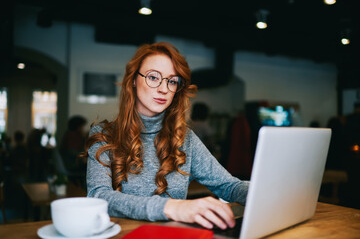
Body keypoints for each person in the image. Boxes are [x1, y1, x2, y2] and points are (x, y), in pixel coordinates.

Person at [82, 42, 249, 230]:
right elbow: (98, 196)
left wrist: (265, 193)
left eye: (172, 81)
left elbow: (229, 186)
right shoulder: (104, 135)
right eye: (153, 77)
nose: (163, 89)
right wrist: (170, 207)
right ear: (134, 80)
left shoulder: (186, 139)